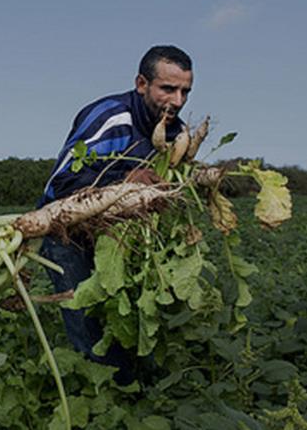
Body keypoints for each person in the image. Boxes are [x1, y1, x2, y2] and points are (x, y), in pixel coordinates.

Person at [37, 45, 194, 384]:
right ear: (141, 83)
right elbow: (61, 182)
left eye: (185, 91)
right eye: (168, 89)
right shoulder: (111, 118)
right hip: (66, 232)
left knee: (130, 312)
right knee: (86, 322)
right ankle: (104, 393)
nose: (178, 100)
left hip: (116, 236)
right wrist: (124, 180)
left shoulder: (173, 132)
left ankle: (140, 384)